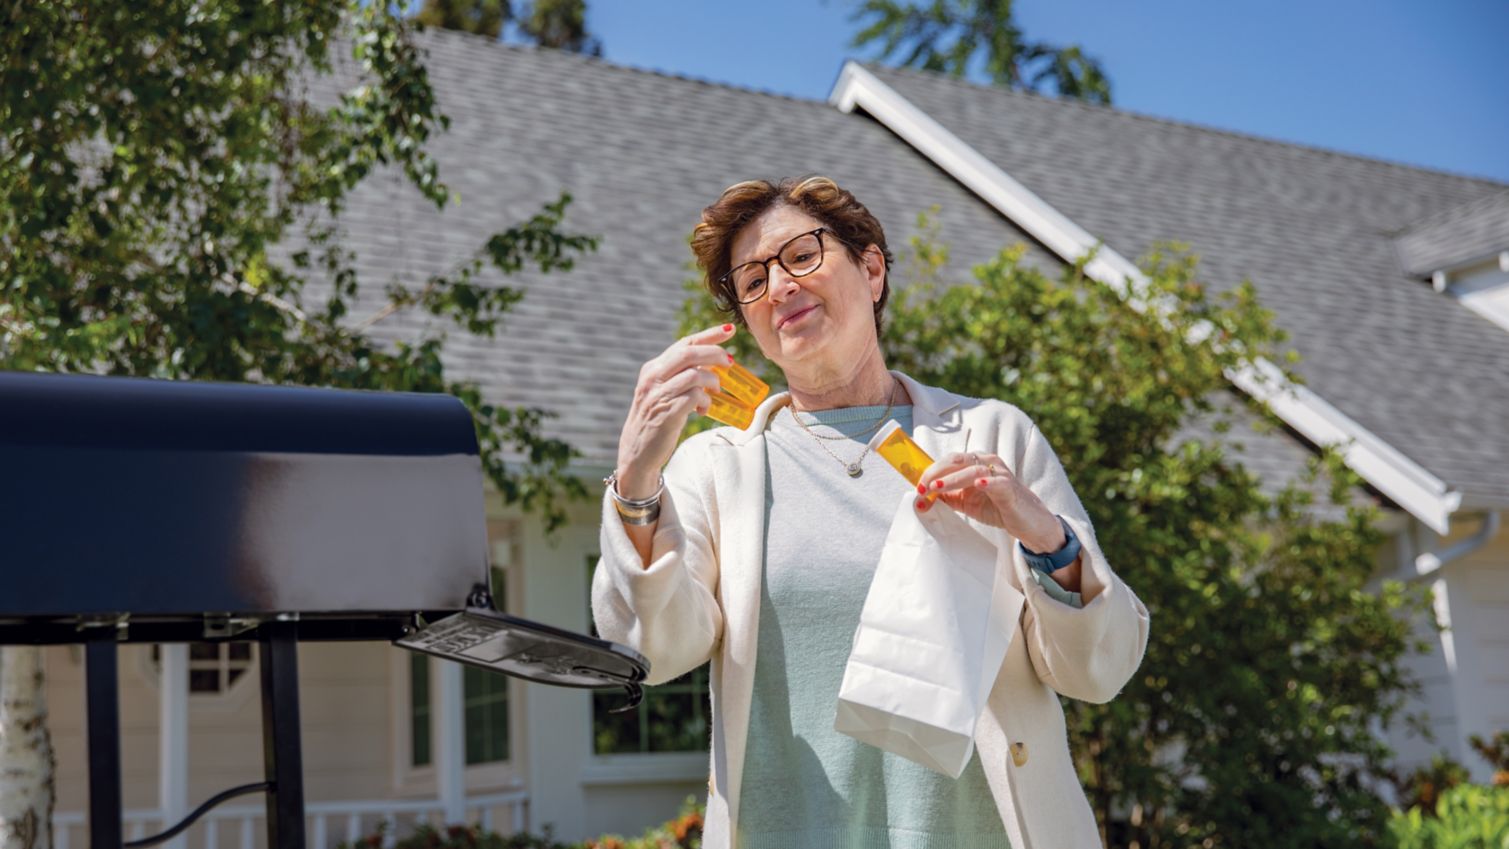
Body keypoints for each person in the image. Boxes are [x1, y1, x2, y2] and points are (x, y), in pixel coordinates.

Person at [592, 176, 1150, 848]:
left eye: (801, 255)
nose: (780, 286)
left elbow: (1099, 669)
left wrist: (1043, 536)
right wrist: (635, 477)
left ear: (872, 268)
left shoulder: (992, 436)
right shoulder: (715, 469)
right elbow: (647, 649)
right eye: (752, 279)